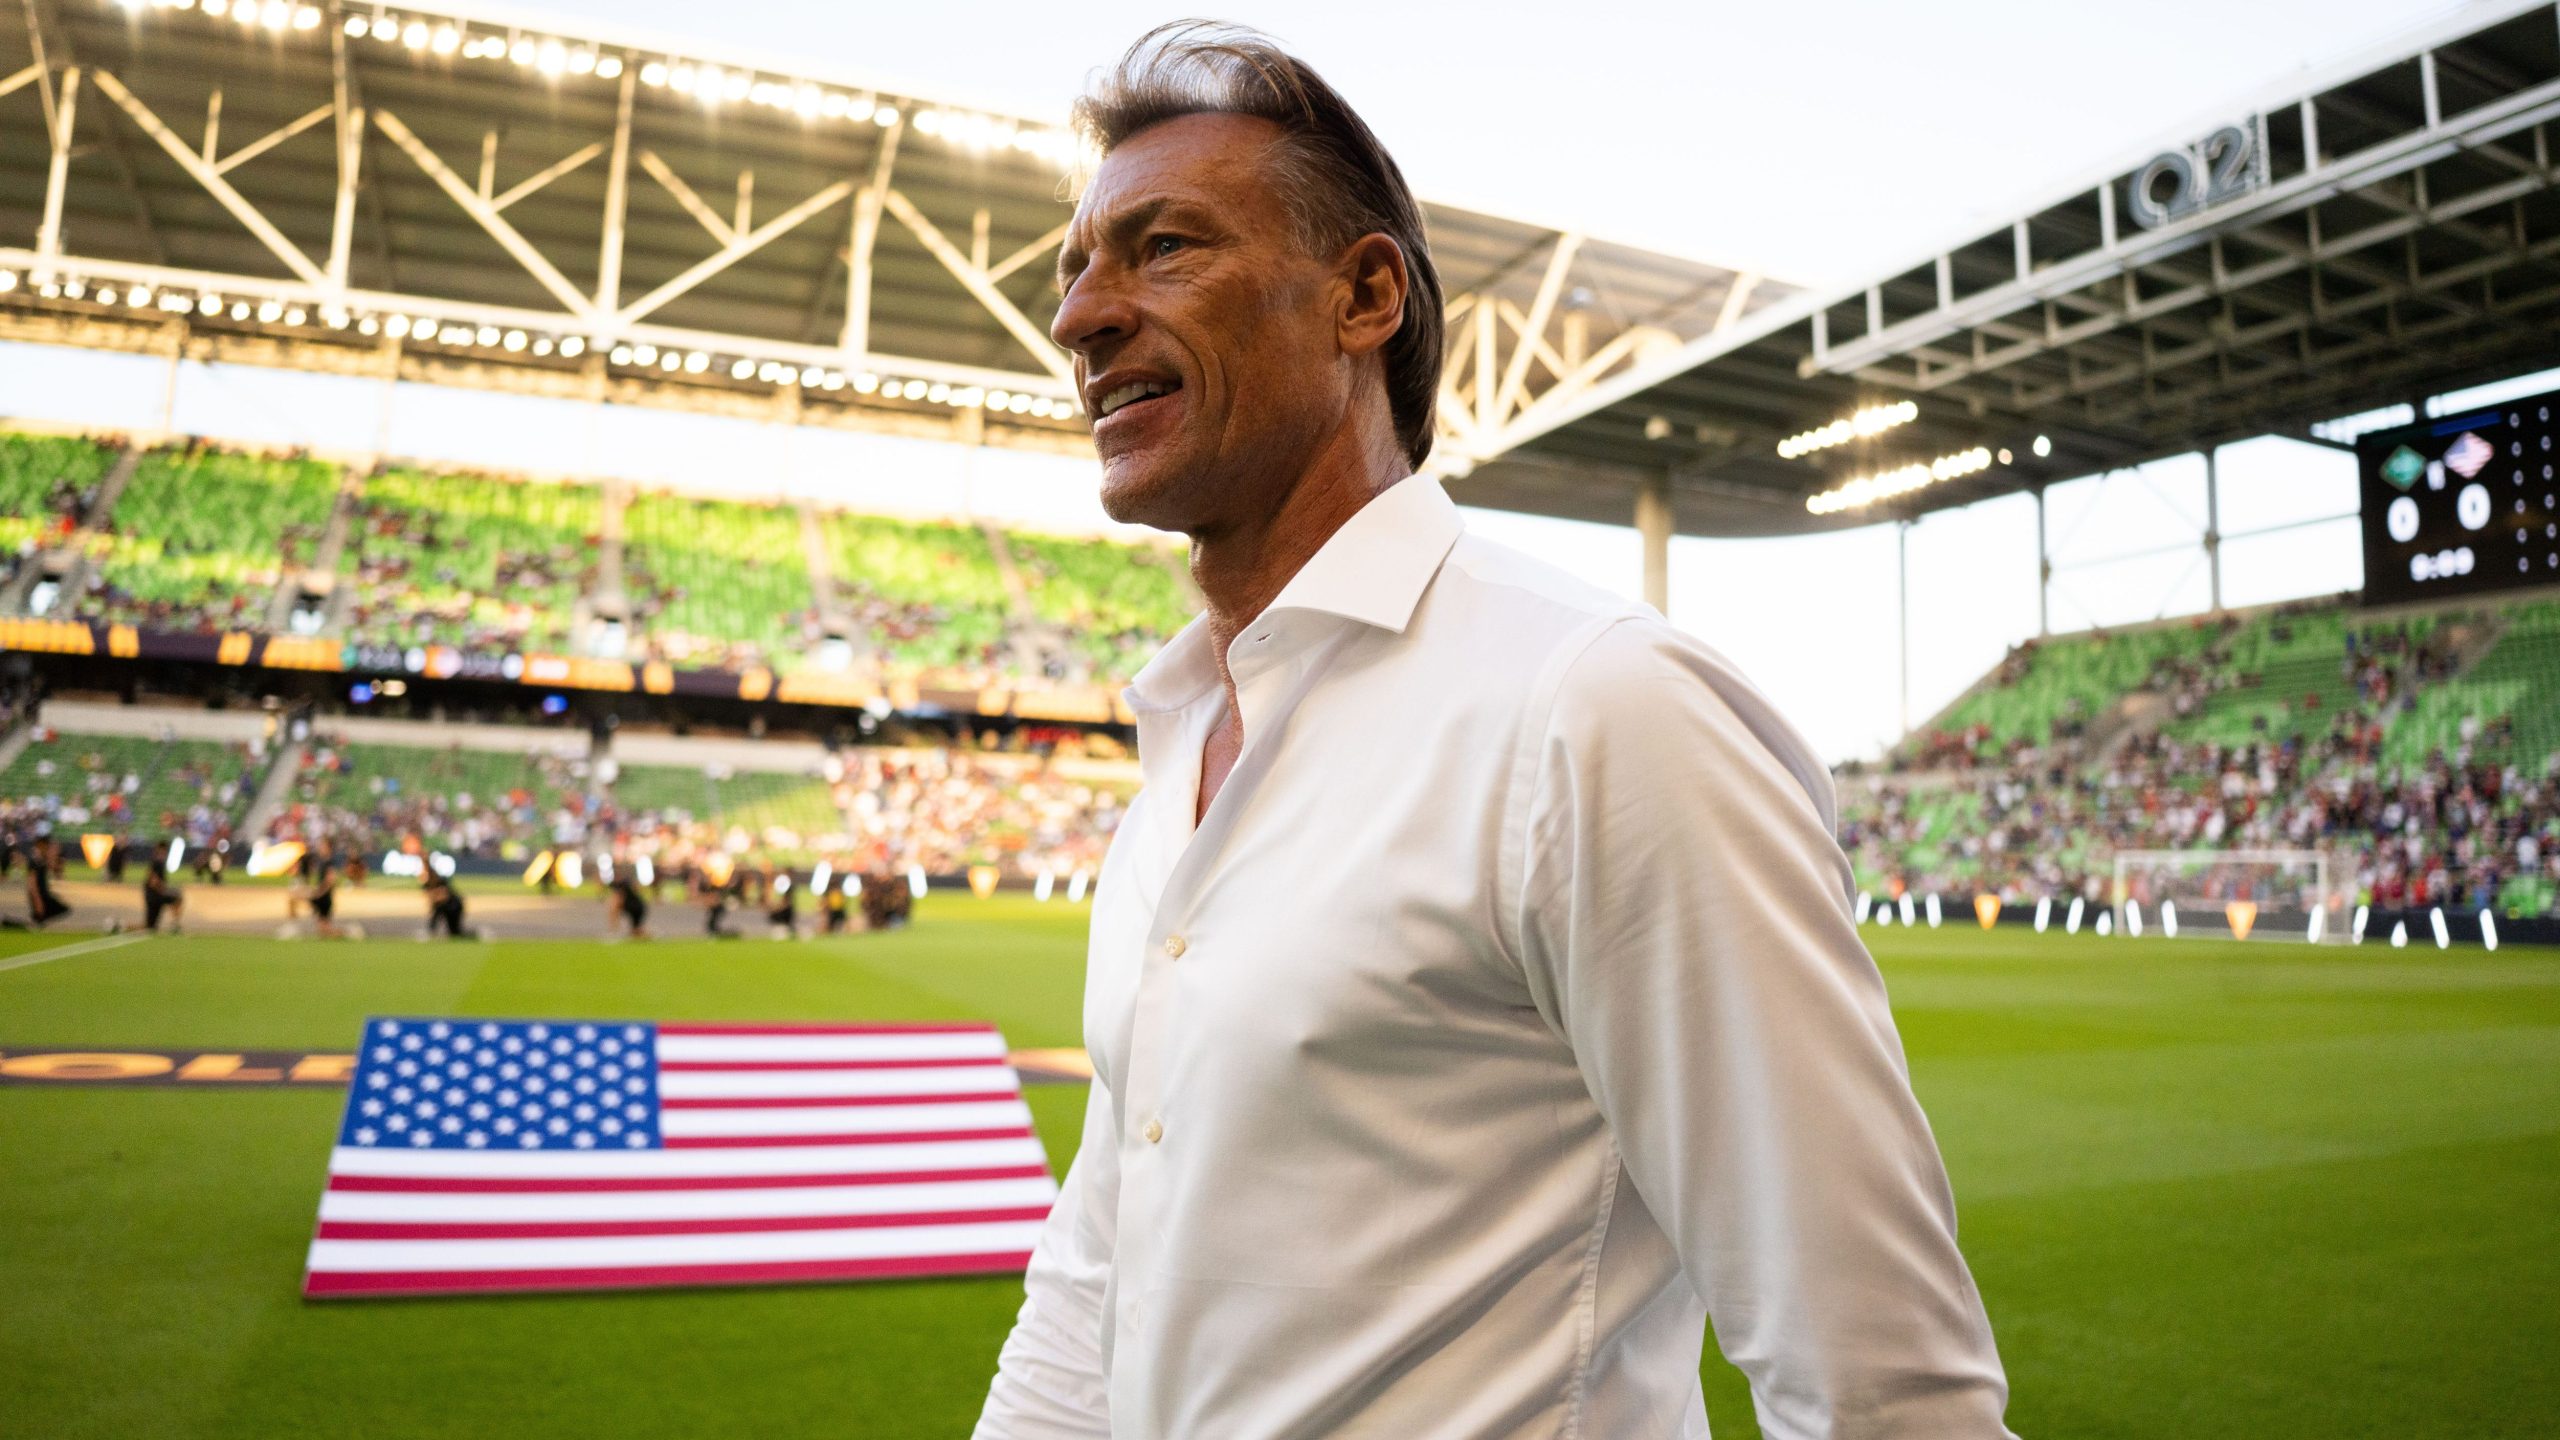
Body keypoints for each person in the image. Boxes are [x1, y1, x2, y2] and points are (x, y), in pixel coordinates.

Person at [975, 26, 2012, 1440]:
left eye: (1163, 250)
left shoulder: (1597, 708)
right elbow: (1099, 1275)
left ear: (1365, 297)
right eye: (1074, 269)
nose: (1081, 317)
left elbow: (1881, 1385)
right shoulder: (1181, 750)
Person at [23, 830, 71, 929]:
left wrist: (55, 856)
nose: (48, 847)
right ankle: (13, 923)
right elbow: (32, 884)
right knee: (41, 917)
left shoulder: (41, 858)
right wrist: (37, 900)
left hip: (44, 894)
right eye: (47, 845)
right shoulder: (34, 860)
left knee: (40, 919)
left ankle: (36, 922)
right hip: (39, 895)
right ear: (41, 845)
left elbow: (56, 872)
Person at [140, 839, 183, 934]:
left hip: (151, 896)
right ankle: (175, 925)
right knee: (177, 897)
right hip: (155, 896)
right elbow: (153, 881)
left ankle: (121, 926)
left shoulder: (155, 861)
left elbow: (150, 878)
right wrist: (164, 890)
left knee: (150, 927)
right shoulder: (158, 862)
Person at [421, 871, 469, 940]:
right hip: (446, 907)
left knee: (454, 931)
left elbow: (443, 897)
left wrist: (435, 898)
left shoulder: (441, 882)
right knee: (438, 911)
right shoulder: (427, 885)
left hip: (454, 907)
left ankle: (470, 935)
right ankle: (431, 930)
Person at [607, 868, 650, 939]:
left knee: (636, 931)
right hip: (635, 906)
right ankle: (641, 933)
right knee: (635, 931)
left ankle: (614, 930)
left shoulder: (624, 884)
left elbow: (618, 899)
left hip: (635, 907)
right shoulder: (617, 884)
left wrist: (615, 909)